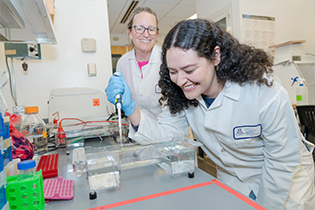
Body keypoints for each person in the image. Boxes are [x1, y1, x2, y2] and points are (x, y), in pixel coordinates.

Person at [105, 18, 315, 209]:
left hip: (285, 183)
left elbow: (281, 161)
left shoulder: (262, 89)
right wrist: (131, 109)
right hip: (232, 179)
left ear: (215, 56)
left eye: (189, 70)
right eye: (173, 71)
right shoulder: (181, 94)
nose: (180, 81)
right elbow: (166, 136)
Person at [112, 7, 162, 122]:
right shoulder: (123, 63)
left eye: (151, 29)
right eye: (139, 28)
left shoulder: (168, 59)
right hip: (136, 132)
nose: (146, 34)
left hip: (169, 133)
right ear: (130, 33)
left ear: (157, 33)